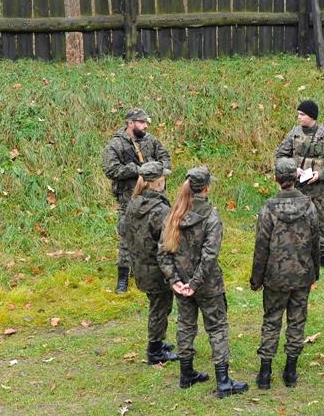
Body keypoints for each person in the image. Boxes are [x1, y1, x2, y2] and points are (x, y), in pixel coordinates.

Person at [157, 166, 248, 399]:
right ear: (206, 188)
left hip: (182, 284)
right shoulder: (211, 216)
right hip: (207, 285)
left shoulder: (173, 214)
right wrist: (195, 283)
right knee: (217, 328)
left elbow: (163, 253)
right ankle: (223, 381)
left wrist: (176, 281)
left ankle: (186, 374)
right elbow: (209, 256)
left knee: (185, 326)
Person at [250, 157, 320, 390]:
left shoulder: (268, 209)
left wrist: (256, 279)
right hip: (302, 274)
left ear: (276, 179)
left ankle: (265, 373)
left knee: (271, 321)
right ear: (296, 178)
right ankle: (291, 371)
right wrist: (314, 272)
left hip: (275, 276)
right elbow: (316, 242)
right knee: (297, 321)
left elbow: (261, 246)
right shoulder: (309, 206)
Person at [102, 108, 171, 294]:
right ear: (130, 123)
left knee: (160, 233)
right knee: (127, 236)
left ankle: (162, 271)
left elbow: (165, 159)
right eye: (141, 122)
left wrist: (155, 170)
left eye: (146, 122)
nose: (145, 125)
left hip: (155, 199)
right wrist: (136, 170)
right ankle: (123, 277)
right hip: (129, 199)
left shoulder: (151, 141)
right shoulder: (116, 145)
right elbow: (110, 169)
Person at [275, 100, 324, 271]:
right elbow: (280, 155)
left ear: (312, 116)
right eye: (298, 114)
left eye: (302, 114)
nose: (299, 117)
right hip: (298, 189)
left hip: (321, 191)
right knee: (296, 221)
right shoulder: (294, 134)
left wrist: (320, 175)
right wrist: (293, 169)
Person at [122, 161, 178, 365]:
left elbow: (123, 231)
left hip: (140, 265)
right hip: (157, 269)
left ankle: (159, 342)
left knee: (158, 305)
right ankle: (155, 351)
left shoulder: (133, 203)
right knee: (160, 308)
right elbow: (168, 241)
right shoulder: (160, 209)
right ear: (159, 182)